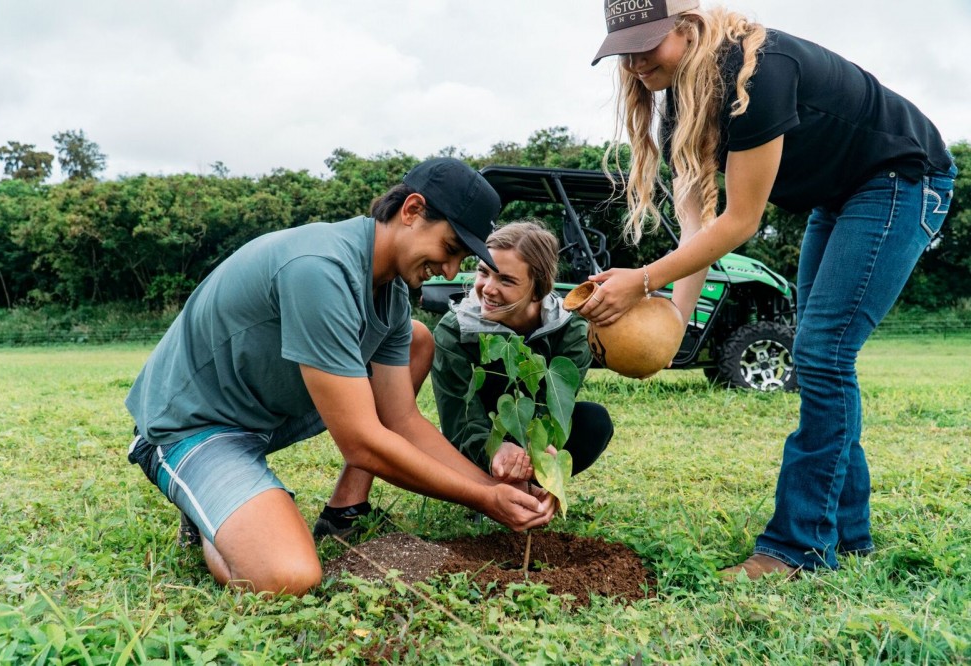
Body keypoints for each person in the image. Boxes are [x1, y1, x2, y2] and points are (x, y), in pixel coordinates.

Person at [586, 1, 956, 578]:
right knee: (821, 357)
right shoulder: (682, 101)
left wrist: (643, 279)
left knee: (821, 351)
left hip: (901, 179)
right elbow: (698, 226)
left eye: (647, 44)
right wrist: (673, 325)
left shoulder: (755, 72)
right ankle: (848, 536)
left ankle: (798, 549)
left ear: (686, 28)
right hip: (840, 196)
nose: (634, 62)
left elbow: (740, 223)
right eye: (623, 50)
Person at [125, 157, 555, 596]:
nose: (448, 271)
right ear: (411, 211)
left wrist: (498, 492)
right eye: (449, 249)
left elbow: (402, 421)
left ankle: (272, 505)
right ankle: (210, 513)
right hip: (188, 425)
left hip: (260, 418)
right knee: (288, 575)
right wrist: (482, 498)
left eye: (461, 259)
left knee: (415, 341)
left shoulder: (390, 298)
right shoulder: (320, 270)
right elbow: (362, 440)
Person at [316, 221, 614, 535]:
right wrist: (496, 451)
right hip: (481, 439)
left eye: (507, 280)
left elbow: (556, 410)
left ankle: (532, 493)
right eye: (484, 272)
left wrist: (545, 457)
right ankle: (489, 492)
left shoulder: (571, 332)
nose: (488, 288)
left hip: (533, 433)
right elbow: (459, 419)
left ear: (537, 288)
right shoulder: (454, 329)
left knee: (594, 421)